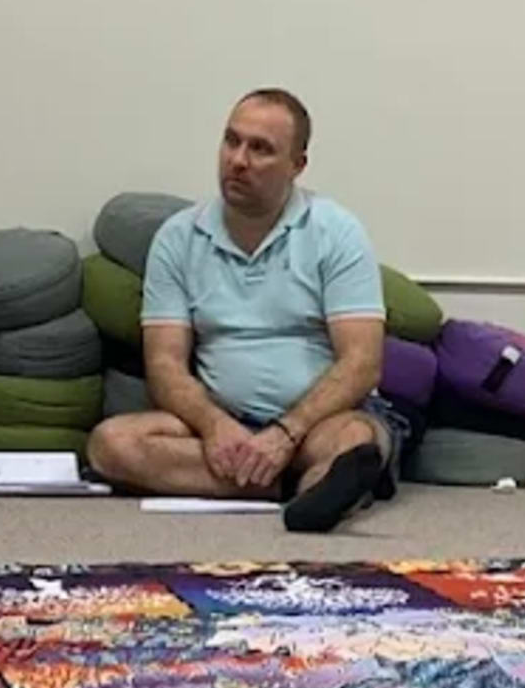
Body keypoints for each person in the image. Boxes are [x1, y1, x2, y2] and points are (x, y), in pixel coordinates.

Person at [85, 91, 403, 534]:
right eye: (231, 141)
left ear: (297, 165)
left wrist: (286, 433)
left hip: (316, 425)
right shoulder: (178, 238)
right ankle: (299, 487)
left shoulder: (336, 231)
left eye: (260, 149)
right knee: (112, 444)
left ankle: (310, 480)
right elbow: (163, 363)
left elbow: (362, 362)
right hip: (219, 425)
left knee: (356, 441)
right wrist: (215, 427)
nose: (238, 160)